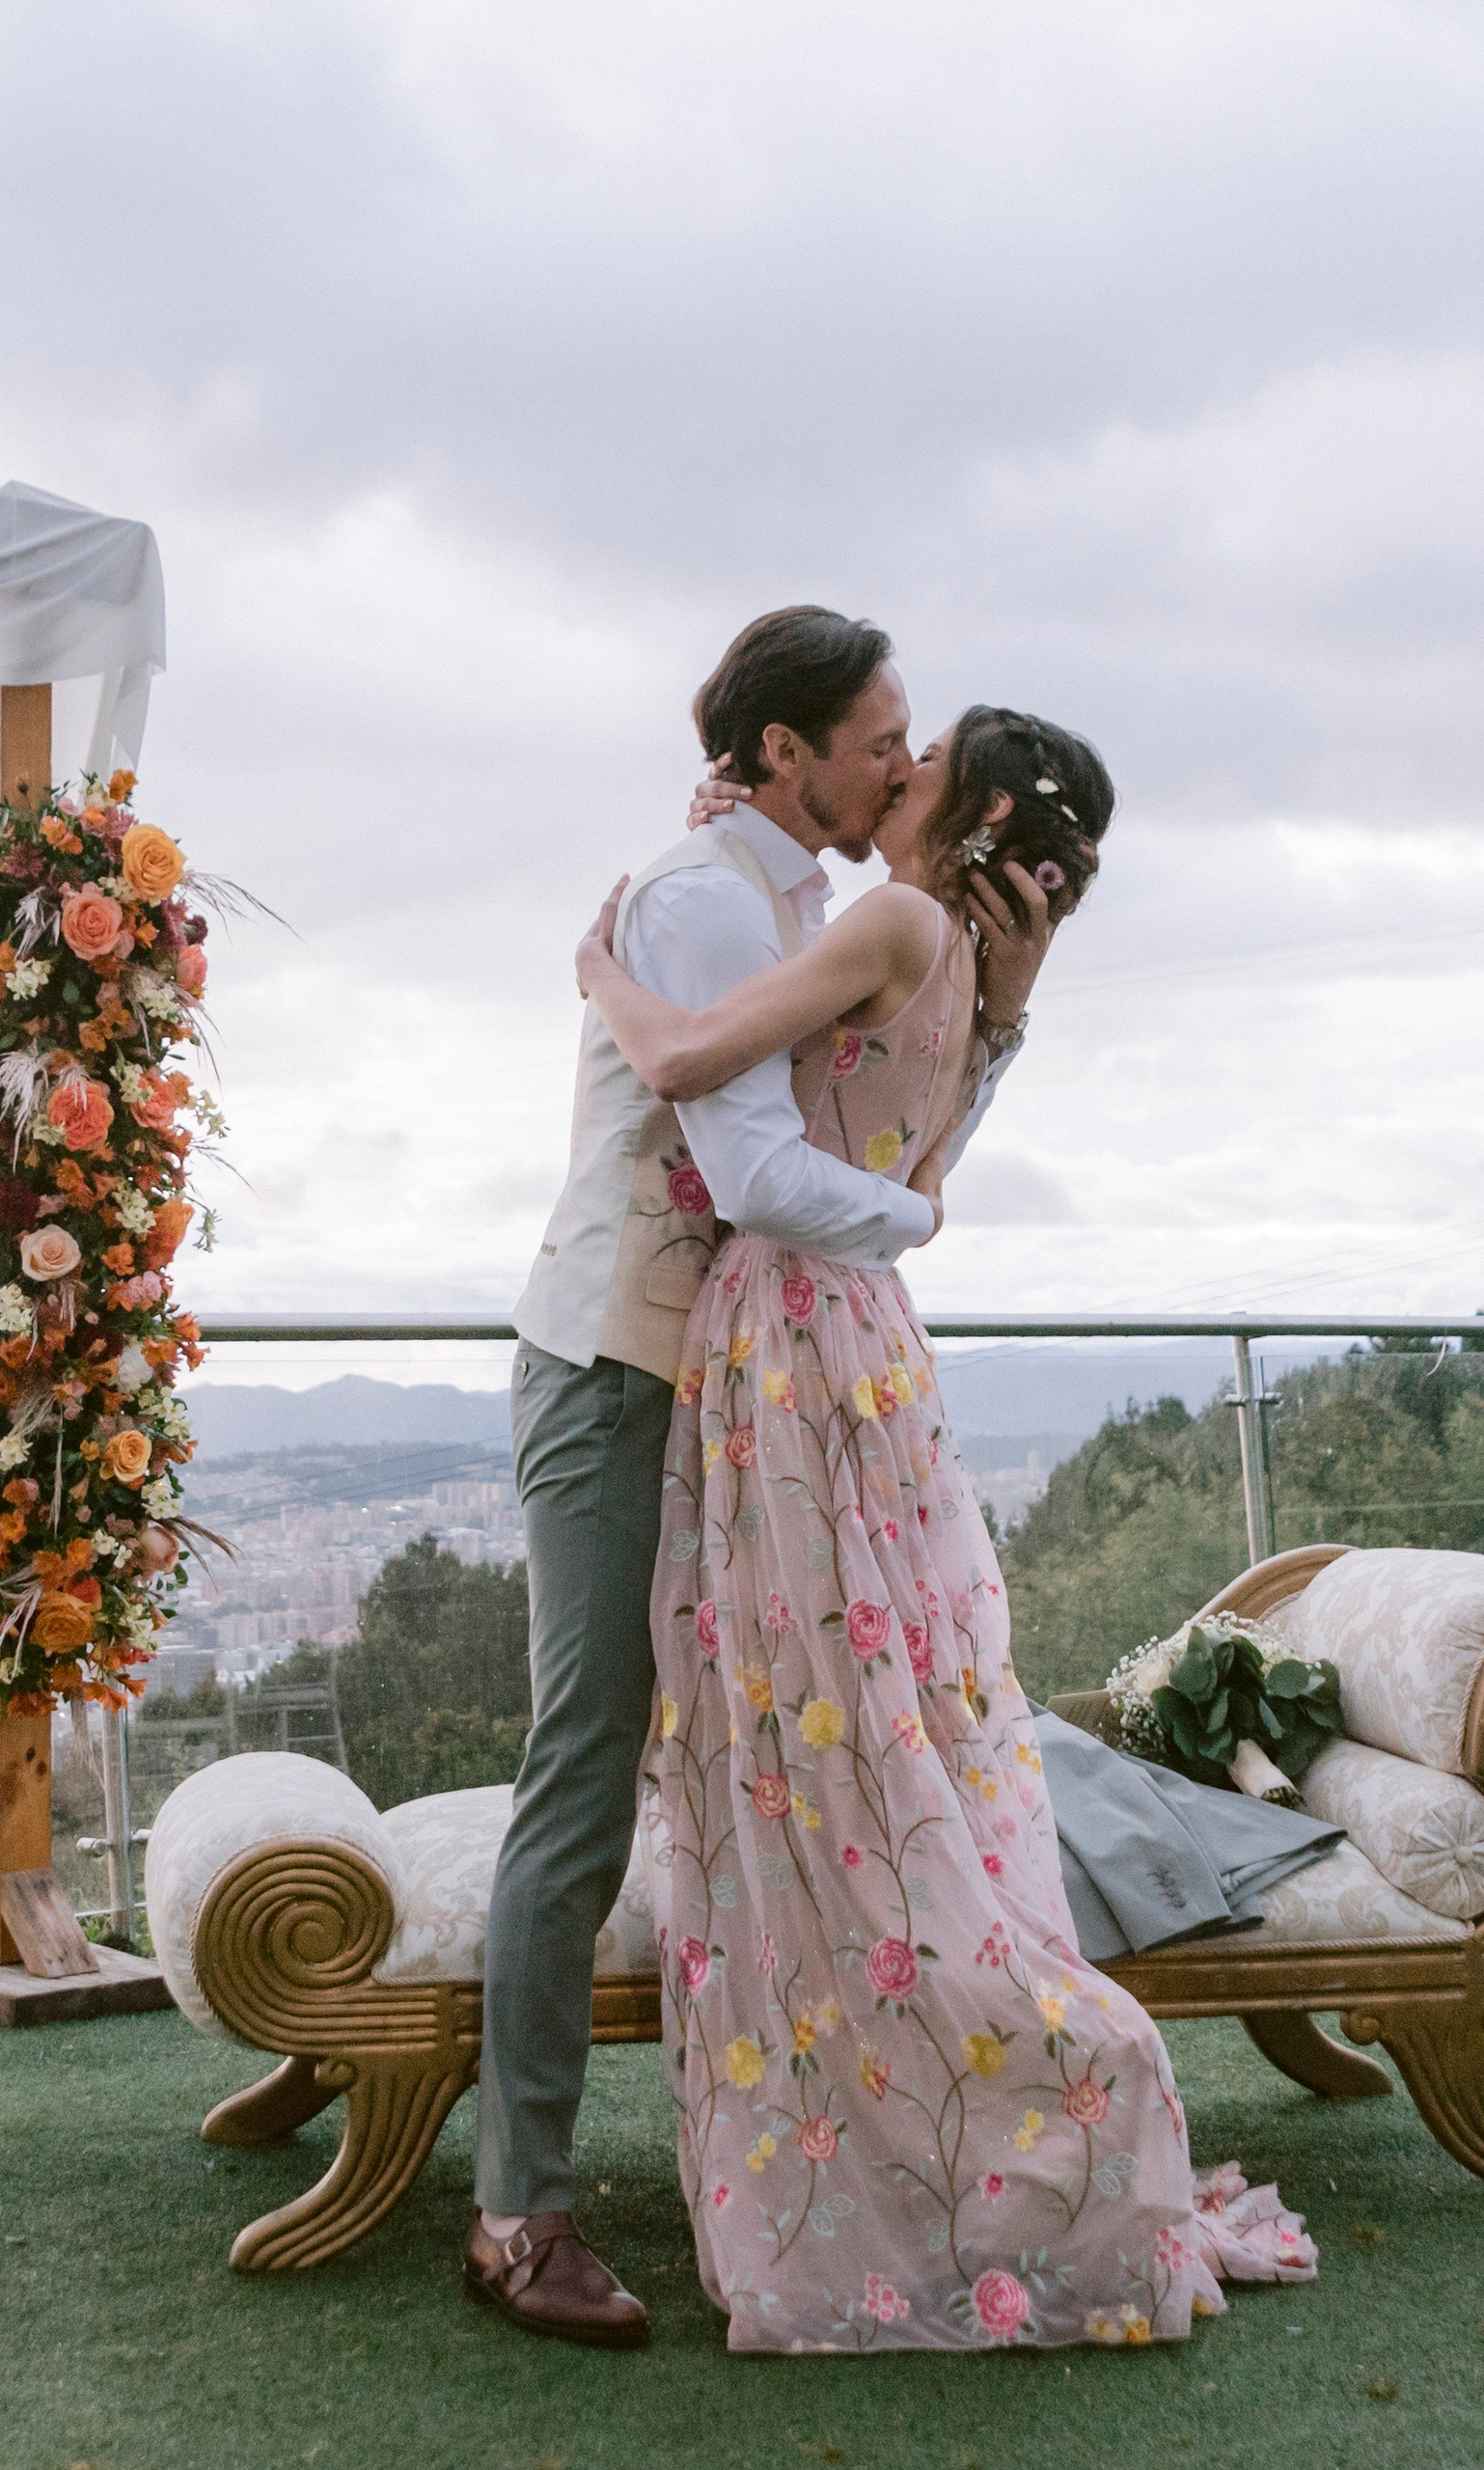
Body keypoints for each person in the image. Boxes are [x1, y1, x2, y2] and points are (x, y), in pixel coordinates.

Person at [573, 704, 1321, 2353]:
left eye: (920, 760)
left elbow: (696, 1067)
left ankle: (912, 2051)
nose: (892, 773)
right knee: (876, 1693)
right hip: (875, 1341)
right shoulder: (983, 968)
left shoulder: (897, 919)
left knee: (808, 1711)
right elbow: (935, 1150)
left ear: (965, 805)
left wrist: (604, 970)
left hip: (788, 1328)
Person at [466, 609, 1046, 2350]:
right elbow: (754, 1154)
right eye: (877, 734)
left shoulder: (801, 890)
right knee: (590, 1759)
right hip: (619, 1371)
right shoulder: (718, 898)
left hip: (740, 1388)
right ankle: (516, 2214)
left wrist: (995, 1024)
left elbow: (894, 1084)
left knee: (776, 1752)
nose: (901, 755)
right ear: (788, 753)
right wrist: (923, 1224)